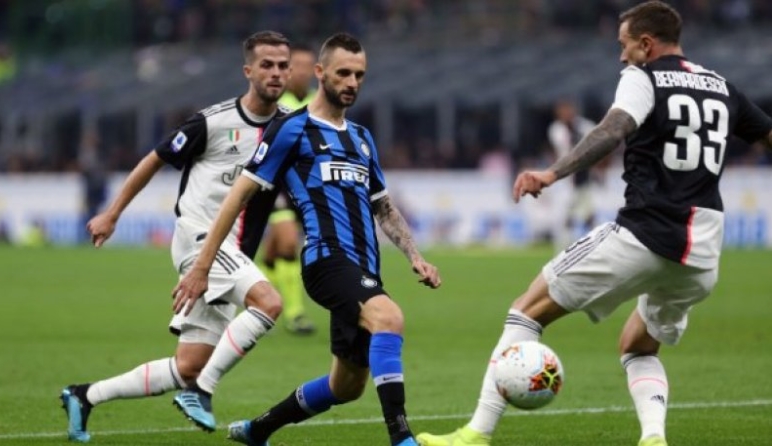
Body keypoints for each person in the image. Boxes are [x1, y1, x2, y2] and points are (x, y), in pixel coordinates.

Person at [417, 2, 772, 446]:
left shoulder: (643, 77)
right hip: (701, 254)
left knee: (525, 312)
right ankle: (654, 438)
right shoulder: (722, 87)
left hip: (644, 234)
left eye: (625, 45)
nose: (622, 56)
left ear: (646, 44)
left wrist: (552, 173)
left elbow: (612, 129)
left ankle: (475, 433)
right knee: (638, 346)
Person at [172, 33, 441, 446]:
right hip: (325, 261)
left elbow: (384, 207)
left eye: (359, 75)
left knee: (346, 386)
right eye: (343, 73)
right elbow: (238, 196)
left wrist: (415, 257)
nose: (352, 82)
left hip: (364, 269)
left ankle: (258, 430)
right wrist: (202, 266)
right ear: (319, 73)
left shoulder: (361, 137)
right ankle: (402, 439)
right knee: (389, 318)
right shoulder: (291, 129)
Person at [59, 31, 292, 443]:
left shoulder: (288, 129)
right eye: (266, 65)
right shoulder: (213, 122)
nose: (276, 73)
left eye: (282, 66)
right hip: (199, 240)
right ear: (248, 71)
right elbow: (155, 159)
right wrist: (112, 214)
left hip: (233, 254)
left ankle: (84, 395)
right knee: (269, 302)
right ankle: (201, 393)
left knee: (189, 365)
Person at [263, 43, 319, 335]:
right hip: (278, 183)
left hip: (308, 184)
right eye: (296, 66)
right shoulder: (273, 101)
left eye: (309, 66)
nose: (302, 72)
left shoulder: (320, 101)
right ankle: (295, 313)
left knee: (272, 253)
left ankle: (261, 303)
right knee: (288, 244)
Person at [547, 99, 597, 249]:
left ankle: (593, 246)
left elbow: (596, 143)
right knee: (567, 215)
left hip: (584, 177)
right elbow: (566, 149)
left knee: (588, 215)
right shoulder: (557, 129)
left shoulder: (584, 125)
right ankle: (563, 248)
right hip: (567, 179)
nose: (566, 114)